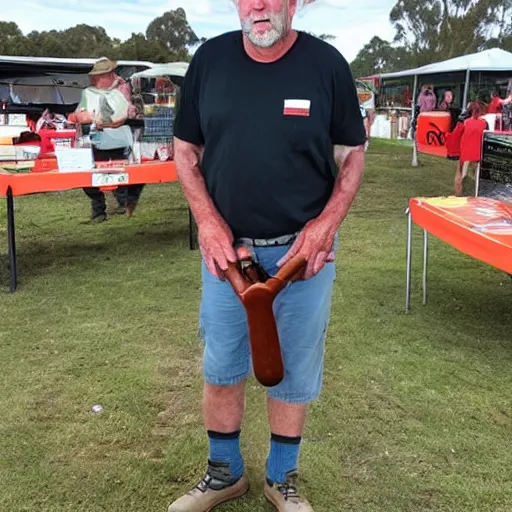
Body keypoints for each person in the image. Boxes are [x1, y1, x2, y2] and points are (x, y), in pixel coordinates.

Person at [169, 0, 366, 511]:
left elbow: (352, 155)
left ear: (295, 2)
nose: (258, 4)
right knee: (222, 363)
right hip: (227, 256)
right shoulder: (209, 62)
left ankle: (282, 479)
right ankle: (224, 474)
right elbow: (185, 151)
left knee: (295, 366)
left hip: (304, 256)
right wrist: (208, 223)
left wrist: (326, 225)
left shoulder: (326, 66)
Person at [71, 58, 144, 222]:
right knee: (89, 176)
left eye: (108, 74)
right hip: (97, 140)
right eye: (99, 76)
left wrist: (123, 116)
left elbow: (130, 111)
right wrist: (86, 116)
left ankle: (123, 202)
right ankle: (98, 209)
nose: (111, 76)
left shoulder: (122, 90)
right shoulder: (87, 93)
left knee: (125, 173)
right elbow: (78, 114)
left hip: (120, 140)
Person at [454, 102, 488, 196]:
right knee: (475, 176)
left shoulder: (466, 122)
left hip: (466, 153)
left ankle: (459, 194)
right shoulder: (484, 124)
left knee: (462, 175)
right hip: (477, 153)